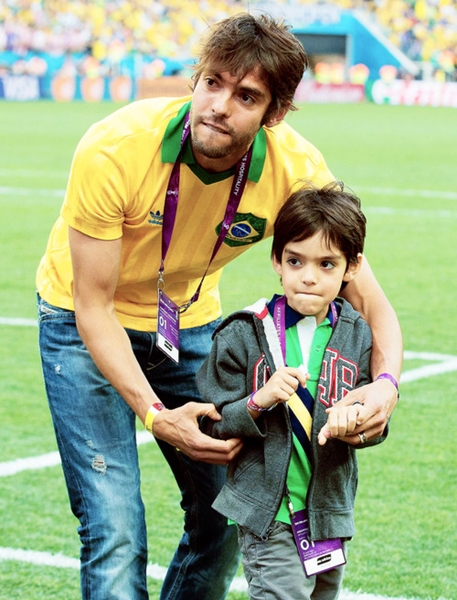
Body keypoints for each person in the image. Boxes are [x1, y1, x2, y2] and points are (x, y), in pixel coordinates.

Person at [36, 12, 401, 600]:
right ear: (197, 79)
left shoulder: (295, 170)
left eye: (246, 95)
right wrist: (158, 417)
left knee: (230, 514)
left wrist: (385, 384)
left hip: (188, 318)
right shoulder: (114, 148)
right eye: (212, 82)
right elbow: (93, 305)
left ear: (274, 113)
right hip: (81, 324)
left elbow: (369, 299)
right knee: (114, 528)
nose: (219, 106)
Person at [196, 182, 388, 600]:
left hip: (327, 515)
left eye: (326, 264)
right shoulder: (244, 333)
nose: (308, 277)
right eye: (295, 261)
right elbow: (211, 423)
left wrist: (355, 421)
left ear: (351, 268)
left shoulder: (358, 335)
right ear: (276, 262)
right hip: (270, 516)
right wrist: (257, 400)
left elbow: (377, 422)